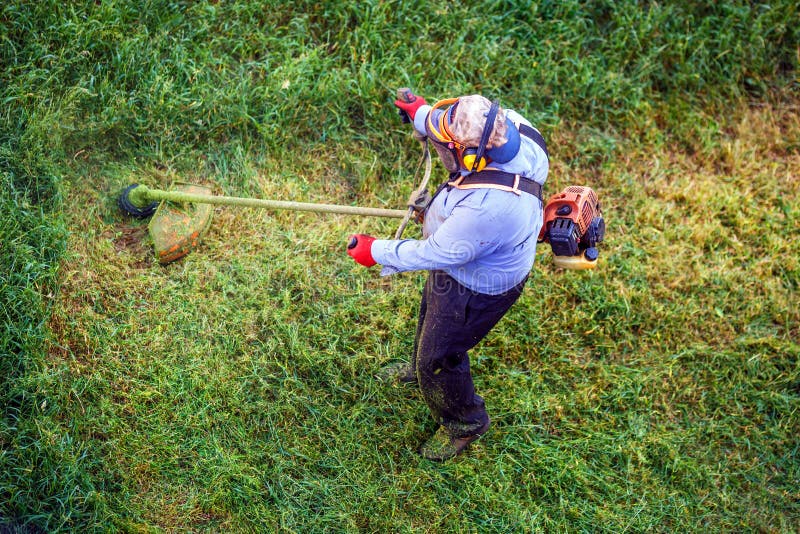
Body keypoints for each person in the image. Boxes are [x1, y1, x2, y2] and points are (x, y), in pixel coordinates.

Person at [346, 91, 549, 461]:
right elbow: (454, 127)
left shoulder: (490, 209)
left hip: (476, 287)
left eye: (446, 144)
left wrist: (375, 251)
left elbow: (435, 252)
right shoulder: (513, 127)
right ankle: (419, 369)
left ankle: (464, 423)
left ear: (472, 157)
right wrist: (420, 113)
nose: (440, 144)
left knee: (440, 355)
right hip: (458, 264)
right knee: (430, 316)